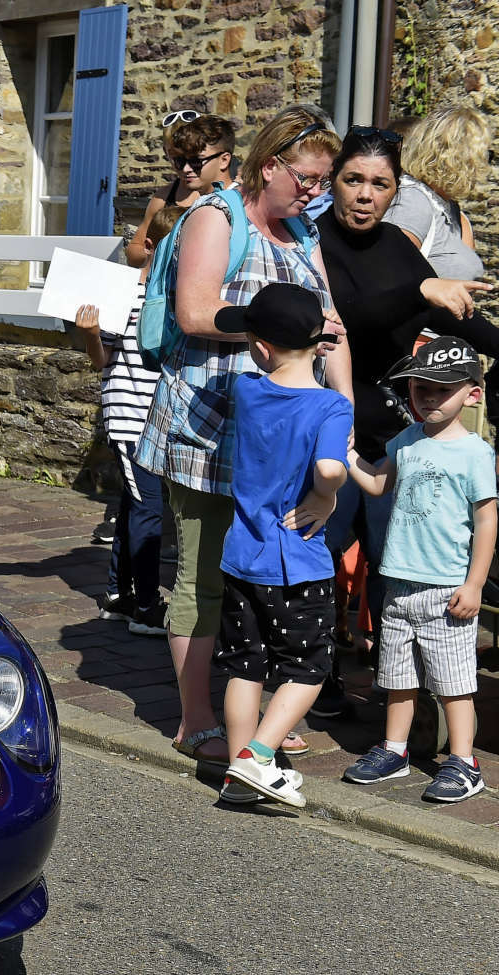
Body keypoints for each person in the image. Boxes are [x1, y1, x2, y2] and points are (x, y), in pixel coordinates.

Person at [135, 109, 349, 765]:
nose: (316, 192)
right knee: (202, 573)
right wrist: (276, 324)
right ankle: (196, 715)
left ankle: (253, 707)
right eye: (308, 179)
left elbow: (333, 328)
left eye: (323, 182)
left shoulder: (304, 234)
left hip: (280, 441)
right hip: (207, 428)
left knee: (269, 574)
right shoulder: (216, 219)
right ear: (270, 165)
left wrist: (342, 417)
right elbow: (195, 311)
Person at [307, 126, 499, 713]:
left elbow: (452, 315)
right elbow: (350, 318)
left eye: (379, 184)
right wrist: (424, 289)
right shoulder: (311, 242)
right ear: (334, 183)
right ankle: (315, 680)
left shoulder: (395, 244)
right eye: (353, 180)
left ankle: (399, 703)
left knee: (396, 567)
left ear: (395, 192)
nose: (365, 194)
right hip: (332, 424)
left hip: (394, 433)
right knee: (320, 561)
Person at [202, 283, 352, 806]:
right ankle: (257, 757)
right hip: (296, 562)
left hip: (242, 554)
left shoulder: (246, 389)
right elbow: (331, 467)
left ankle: (237, 777)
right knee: (308, 667)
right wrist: (325, 496)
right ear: (319, 342)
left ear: (261, 348)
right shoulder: (331, 408)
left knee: (246, 666)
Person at [336, 337, 496, 801]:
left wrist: (475, 583)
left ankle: (464, 762)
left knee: (454, 682)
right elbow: (378, 483)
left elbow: (487, 519)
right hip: (399, 582)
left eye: (441, 390)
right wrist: (348, 457)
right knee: (397, 675)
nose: (427, 397)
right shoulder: (405, 440)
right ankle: (395, 749)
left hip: (447, 588)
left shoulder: (474, 453)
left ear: (473, 394)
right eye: (419, 388)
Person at [77, 203, 181, 635]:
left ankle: (119, 595)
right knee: (149, 510)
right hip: (132, 417)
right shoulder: (127, 295)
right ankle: (144, 604)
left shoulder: (176, 295)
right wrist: (89, 333)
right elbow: (102, 359)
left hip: (157, 417)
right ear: (153, 247)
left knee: (135, 505)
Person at [384, 105, 489, 281]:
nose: (483, 164)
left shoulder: (450, 209)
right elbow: (387, 275)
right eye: (483, 155)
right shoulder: (413, 201)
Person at [125, 113, 236, 267]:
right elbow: (135, 249)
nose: (186, 168)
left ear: (224, 159)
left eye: (196, 160)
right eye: (178, 159)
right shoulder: (163, 197)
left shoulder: (235, 201)